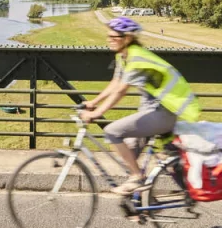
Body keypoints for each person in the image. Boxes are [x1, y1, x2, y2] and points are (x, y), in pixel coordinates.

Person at [80, 16, 200, 196]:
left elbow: (121, 91)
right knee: (129, 154)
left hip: (164, 111)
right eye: (109, 36)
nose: (110, 40)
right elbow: (115, 82)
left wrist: (96, 113)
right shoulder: (124, 56)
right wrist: (92, 103)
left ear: (127, 38)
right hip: (152, 109)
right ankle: (145, 204)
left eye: (114, 37)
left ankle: (138, 177)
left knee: (113, 131)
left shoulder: (137, 58)